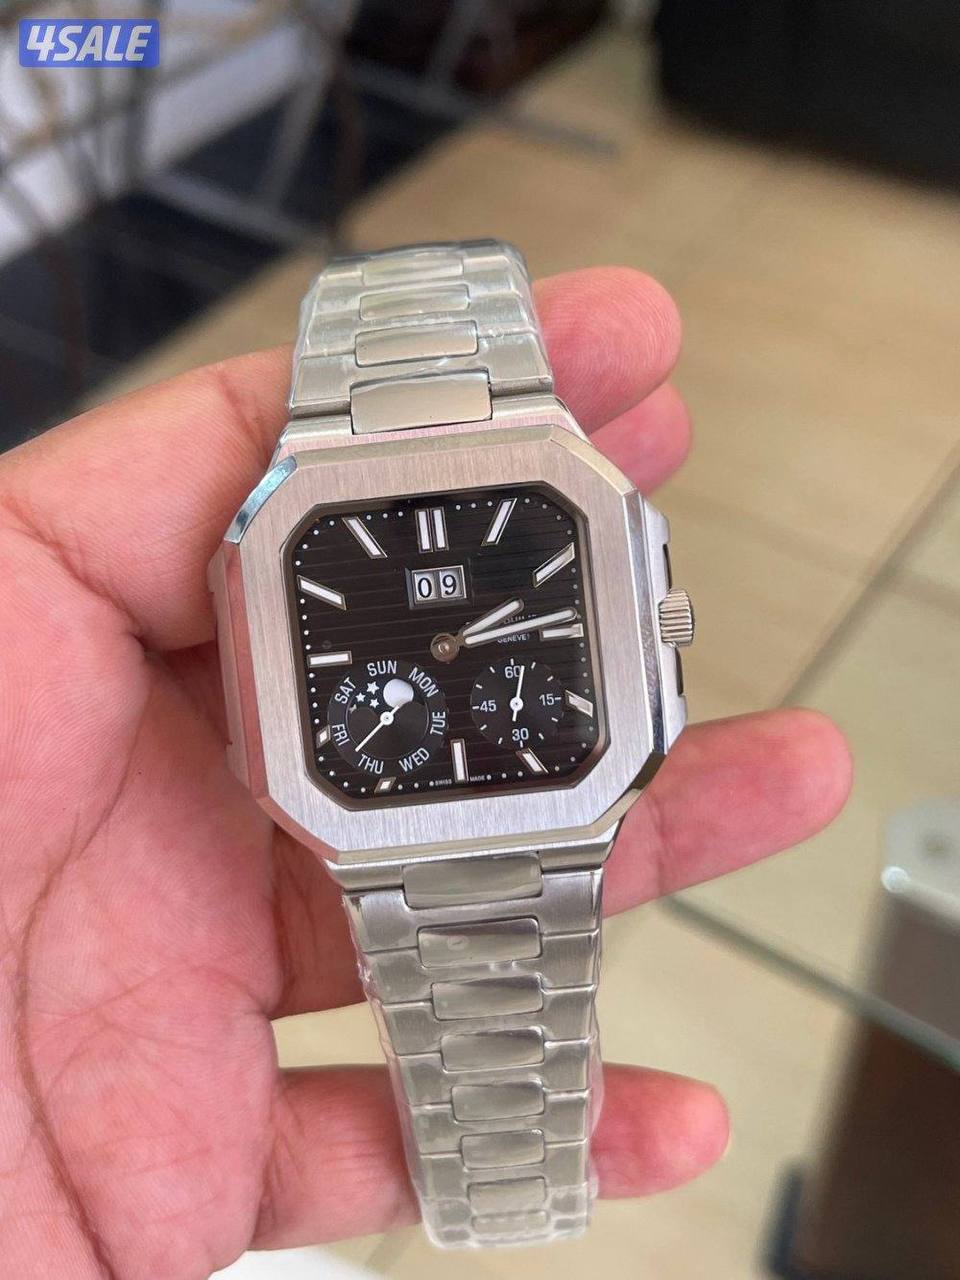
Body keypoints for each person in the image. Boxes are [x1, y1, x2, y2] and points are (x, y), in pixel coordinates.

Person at [0, 267, 850, 1276]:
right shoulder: (310, 532)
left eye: (457, 637)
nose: (444, 645)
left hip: (525, 806)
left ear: (658, 624)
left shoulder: (502, 504)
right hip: (394, 824)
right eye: (435, 642)